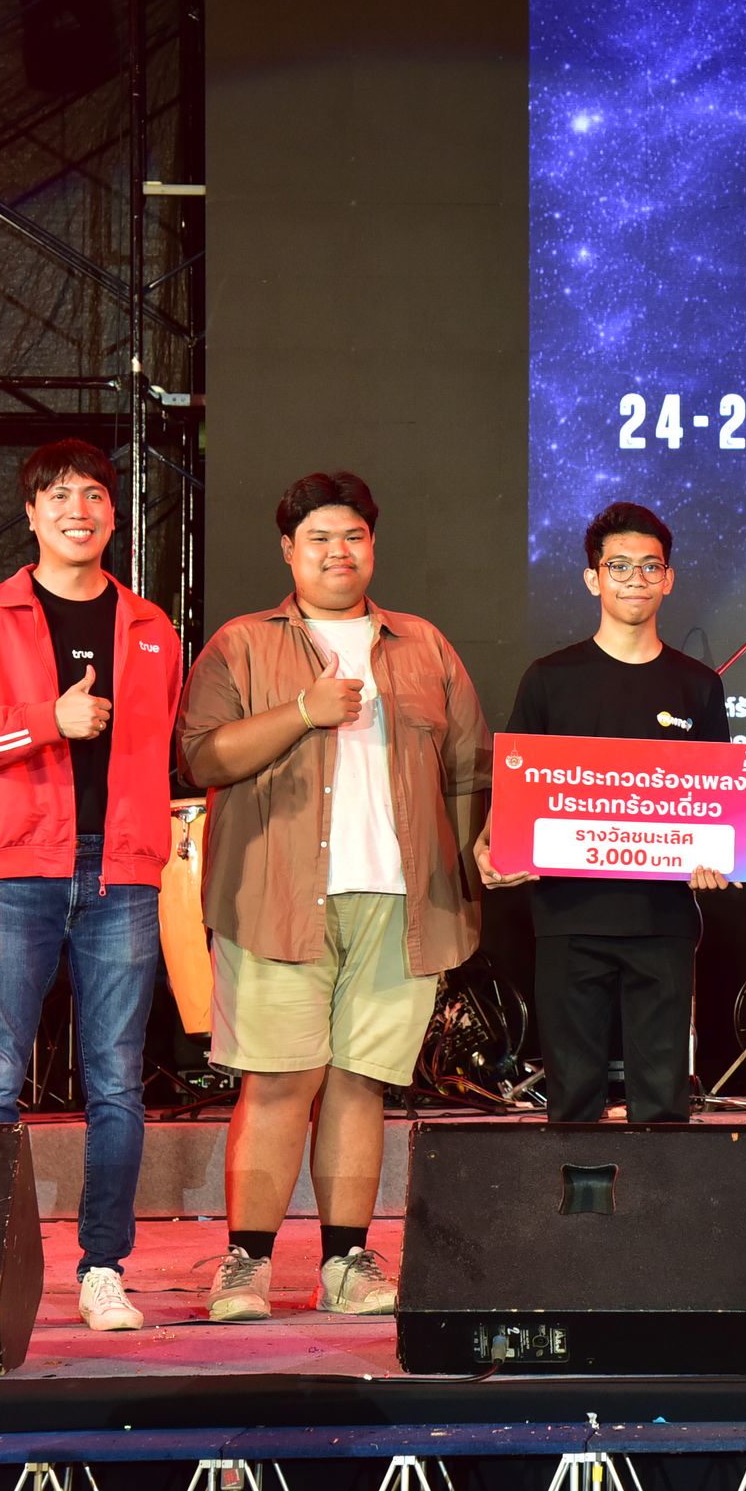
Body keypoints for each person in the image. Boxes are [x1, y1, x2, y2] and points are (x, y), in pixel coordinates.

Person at [180, 471, 489, 1322]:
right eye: (318, 537)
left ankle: (345, 1263)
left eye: (353, 535)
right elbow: (201, 757)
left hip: (401, 902)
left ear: (372, 546)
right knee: (279, 1082)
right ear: (289, 550)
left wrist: (474, 866)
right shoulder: (241, 644)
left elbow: (468, 771)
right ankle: (246, 1264)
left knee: (360, 1083)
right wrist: (302, 712)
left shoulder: (424, 645)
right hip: (277, 899)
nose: (337, 551)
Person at [0, 439, 182, 1333]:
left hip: (121, 872)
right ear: (32, 514)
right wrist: (48, 720)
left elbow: (161, 747)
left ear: (115, 514)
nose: (80, 509)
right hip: (16, 868)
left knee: (116, 1081)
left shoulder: (151, 628)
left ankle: (103, 1267)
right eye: (60, 495)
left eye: (95, 495)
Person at [475, 502, 733, 1124]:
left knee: (663, 1103)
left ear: (669, 579)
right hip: (569, 916)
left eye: (650, 566)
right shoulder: (550, 679)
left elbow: (720, 802)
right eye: (619, 566)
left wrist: (718, 858)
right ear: (593, 578)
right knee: (572, 1102)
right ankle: (576, 1193)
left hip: (664, 918)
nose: (635, 579)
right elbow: (517, 787)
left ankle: (660, 1193)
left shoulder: (699, 686)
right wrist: (490, 845)